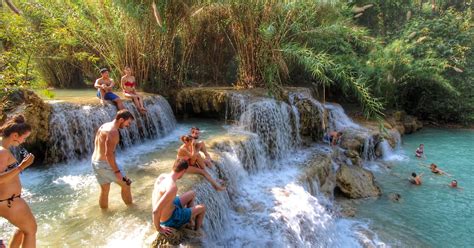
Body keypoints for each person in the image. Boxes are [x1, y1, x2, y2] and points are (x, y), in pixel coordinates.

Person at [0, 115, 36, 248]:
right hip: (9, 202)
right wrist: (22, 166)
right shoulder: (2, 152)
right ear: (15, 135)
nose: (23, 141)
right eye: (24, 138)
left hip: (7, 201)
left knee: (23, 229)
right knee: (31, 230)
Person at [91, 109, 134, 209]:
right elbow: (108, 155)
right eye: (128, 123)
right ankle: (132, 210)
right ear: (121, 120)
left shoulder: (105, 125)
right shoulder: (113, 132)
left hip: (95, 161)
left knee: (105, 189)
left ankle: (104, 213)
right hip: (105, 163)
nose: (128, 126)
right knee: (127, 184)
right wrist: (117, 171)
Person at [152, 159, 206, 234]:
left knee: (192, 193)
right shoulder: (172, 188)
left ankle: (190, 221)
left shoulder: (162, 177)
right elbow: (155, 211)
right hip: (171, 219)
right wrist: (158, 228)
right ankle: (196, 232)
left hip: (170, 208)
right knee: (203, 208)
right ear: (183, 171)